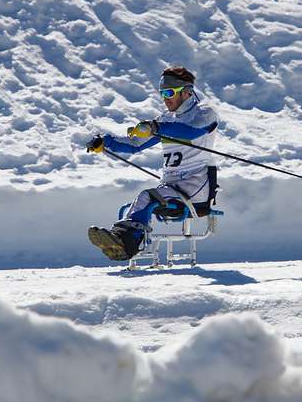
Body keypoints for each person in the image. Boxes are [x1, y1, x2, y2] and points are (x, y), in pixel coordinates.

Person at [85, 66, 219, 261]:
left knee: (146, 197)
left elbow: (190, 131)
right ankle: (120, 239)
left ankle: (126, 244)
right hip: (171, 188)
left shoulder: (205, 113)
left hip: (195, 188)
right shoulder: (165, 119)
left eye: (170, 92)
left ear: (187, 92)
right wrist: (105, 142)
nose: (166, 98)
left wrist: (156, 127)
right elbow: (134, 145)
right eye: (163, 93)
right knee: (144, 200)